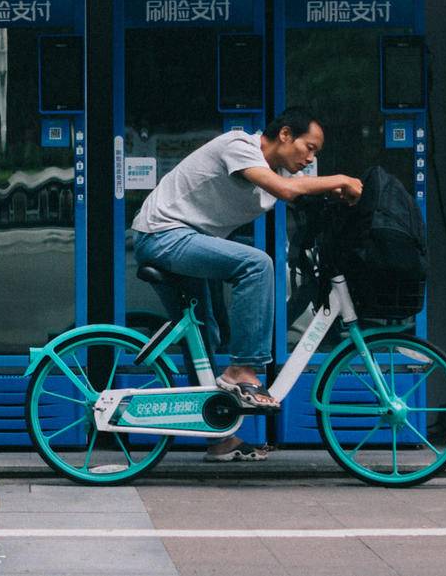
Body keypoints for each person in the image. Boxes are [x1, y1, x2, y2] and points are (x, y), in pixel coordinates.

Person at [129, 107, 363, 462]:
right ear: (285, 134)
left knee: (202, 339)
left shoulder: (270, 175)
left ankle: (218, 436)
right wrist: (340, 179)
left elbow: (294, 192)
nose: (311, 158)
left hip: (184, 239)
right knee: (256, 264)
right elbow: (287, 190)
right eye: (309, 147)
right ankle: (243, 369)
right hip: (163, 234)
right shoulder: (240, 145)